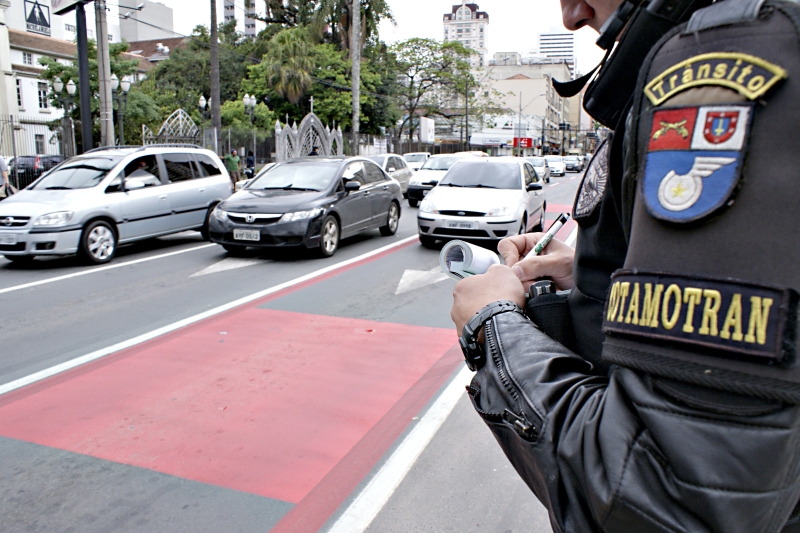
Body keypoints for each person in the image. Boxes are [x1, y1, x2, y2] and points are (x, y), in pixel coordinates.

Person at [451, 1, 800, 532]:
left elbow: (663, 498)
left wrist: (492, 326)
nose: (573, 15)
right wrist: (608, 278)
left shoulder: (725, 61)